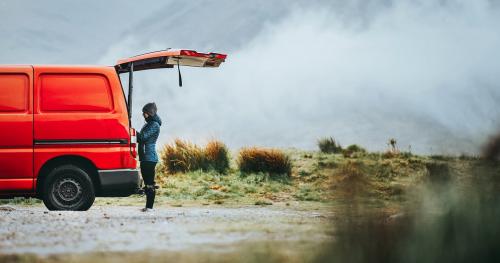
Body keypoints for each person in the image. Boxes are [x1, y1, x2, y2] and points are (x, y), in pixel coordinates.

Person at [137, 102, 162, 212]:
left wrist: (132, 131)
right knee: (148, 183)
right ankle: (148, 207)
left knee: (149, 183)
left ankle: (150, 207)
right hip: (145, 157)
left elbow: (142, 137)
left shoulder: (154, 125)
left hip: (149, 157)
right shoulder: (149, 124)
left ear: (150, 113)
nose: (144, 115)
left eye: (145, 113)